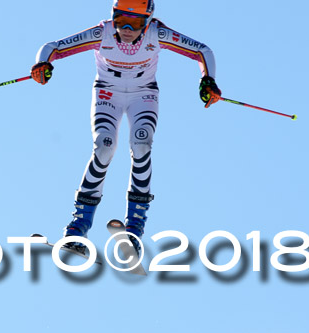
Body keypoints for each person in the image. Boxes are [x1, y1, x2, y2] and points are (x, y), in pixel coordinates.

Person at [31, 0, 221, 255]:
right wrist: (43, 64)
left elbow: (202, 50)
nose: (127, 29)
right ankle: (77, 230)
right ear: (113, 17)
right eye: (120, 21)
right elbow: (53, 47)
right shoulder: (102, 33)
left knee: (141, 146)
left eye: (136, 23)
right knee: (103, 148)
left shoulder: (157, 33)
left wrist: (208, 80)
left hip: (143, 95)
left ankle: (134, 229)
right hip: (107, 94)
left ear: (148, 22)